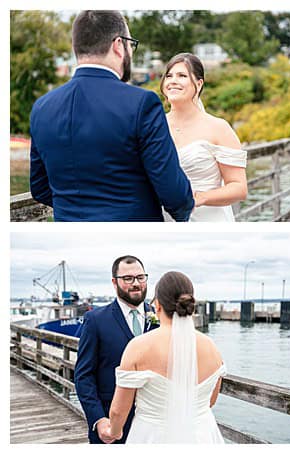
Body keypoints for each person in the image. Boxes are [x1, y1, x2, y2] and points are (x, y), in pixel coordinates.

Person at [29, 11, 194, 221]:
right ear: (118, 45)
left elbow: (40, 187)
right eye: (130, 45)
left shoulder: (41, 107)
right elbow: (175, 194)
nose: (130, 54)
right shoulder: (142, 103)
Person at [105, 271, 226, 443]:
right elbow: (211, 400)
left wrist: (114, 432)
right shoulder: (212, 347)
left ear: (158, 305)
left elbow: (118, 411)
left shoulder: (138, 347)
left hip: (153, 436)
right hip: (202, 434)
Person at [75, 256, 159, 444]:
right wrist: (98, 419)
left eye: (140, 277)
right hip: (112, 427)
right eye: (128, 278)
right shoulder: (95, 320)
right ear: (115, 282)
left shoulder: (160, 318)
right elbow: (83, 376)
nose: (136, 283)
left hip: (153, 427)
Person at [160, 53, 248, 222]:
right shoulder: (155, 126)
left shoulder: (218, 128)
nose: (173, 81)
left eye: (182, 76)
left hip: (208, 222)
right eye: (169, 76)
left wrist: (200, 198)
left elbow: (239, 188)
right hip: (165, 221)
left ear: (199, 84)